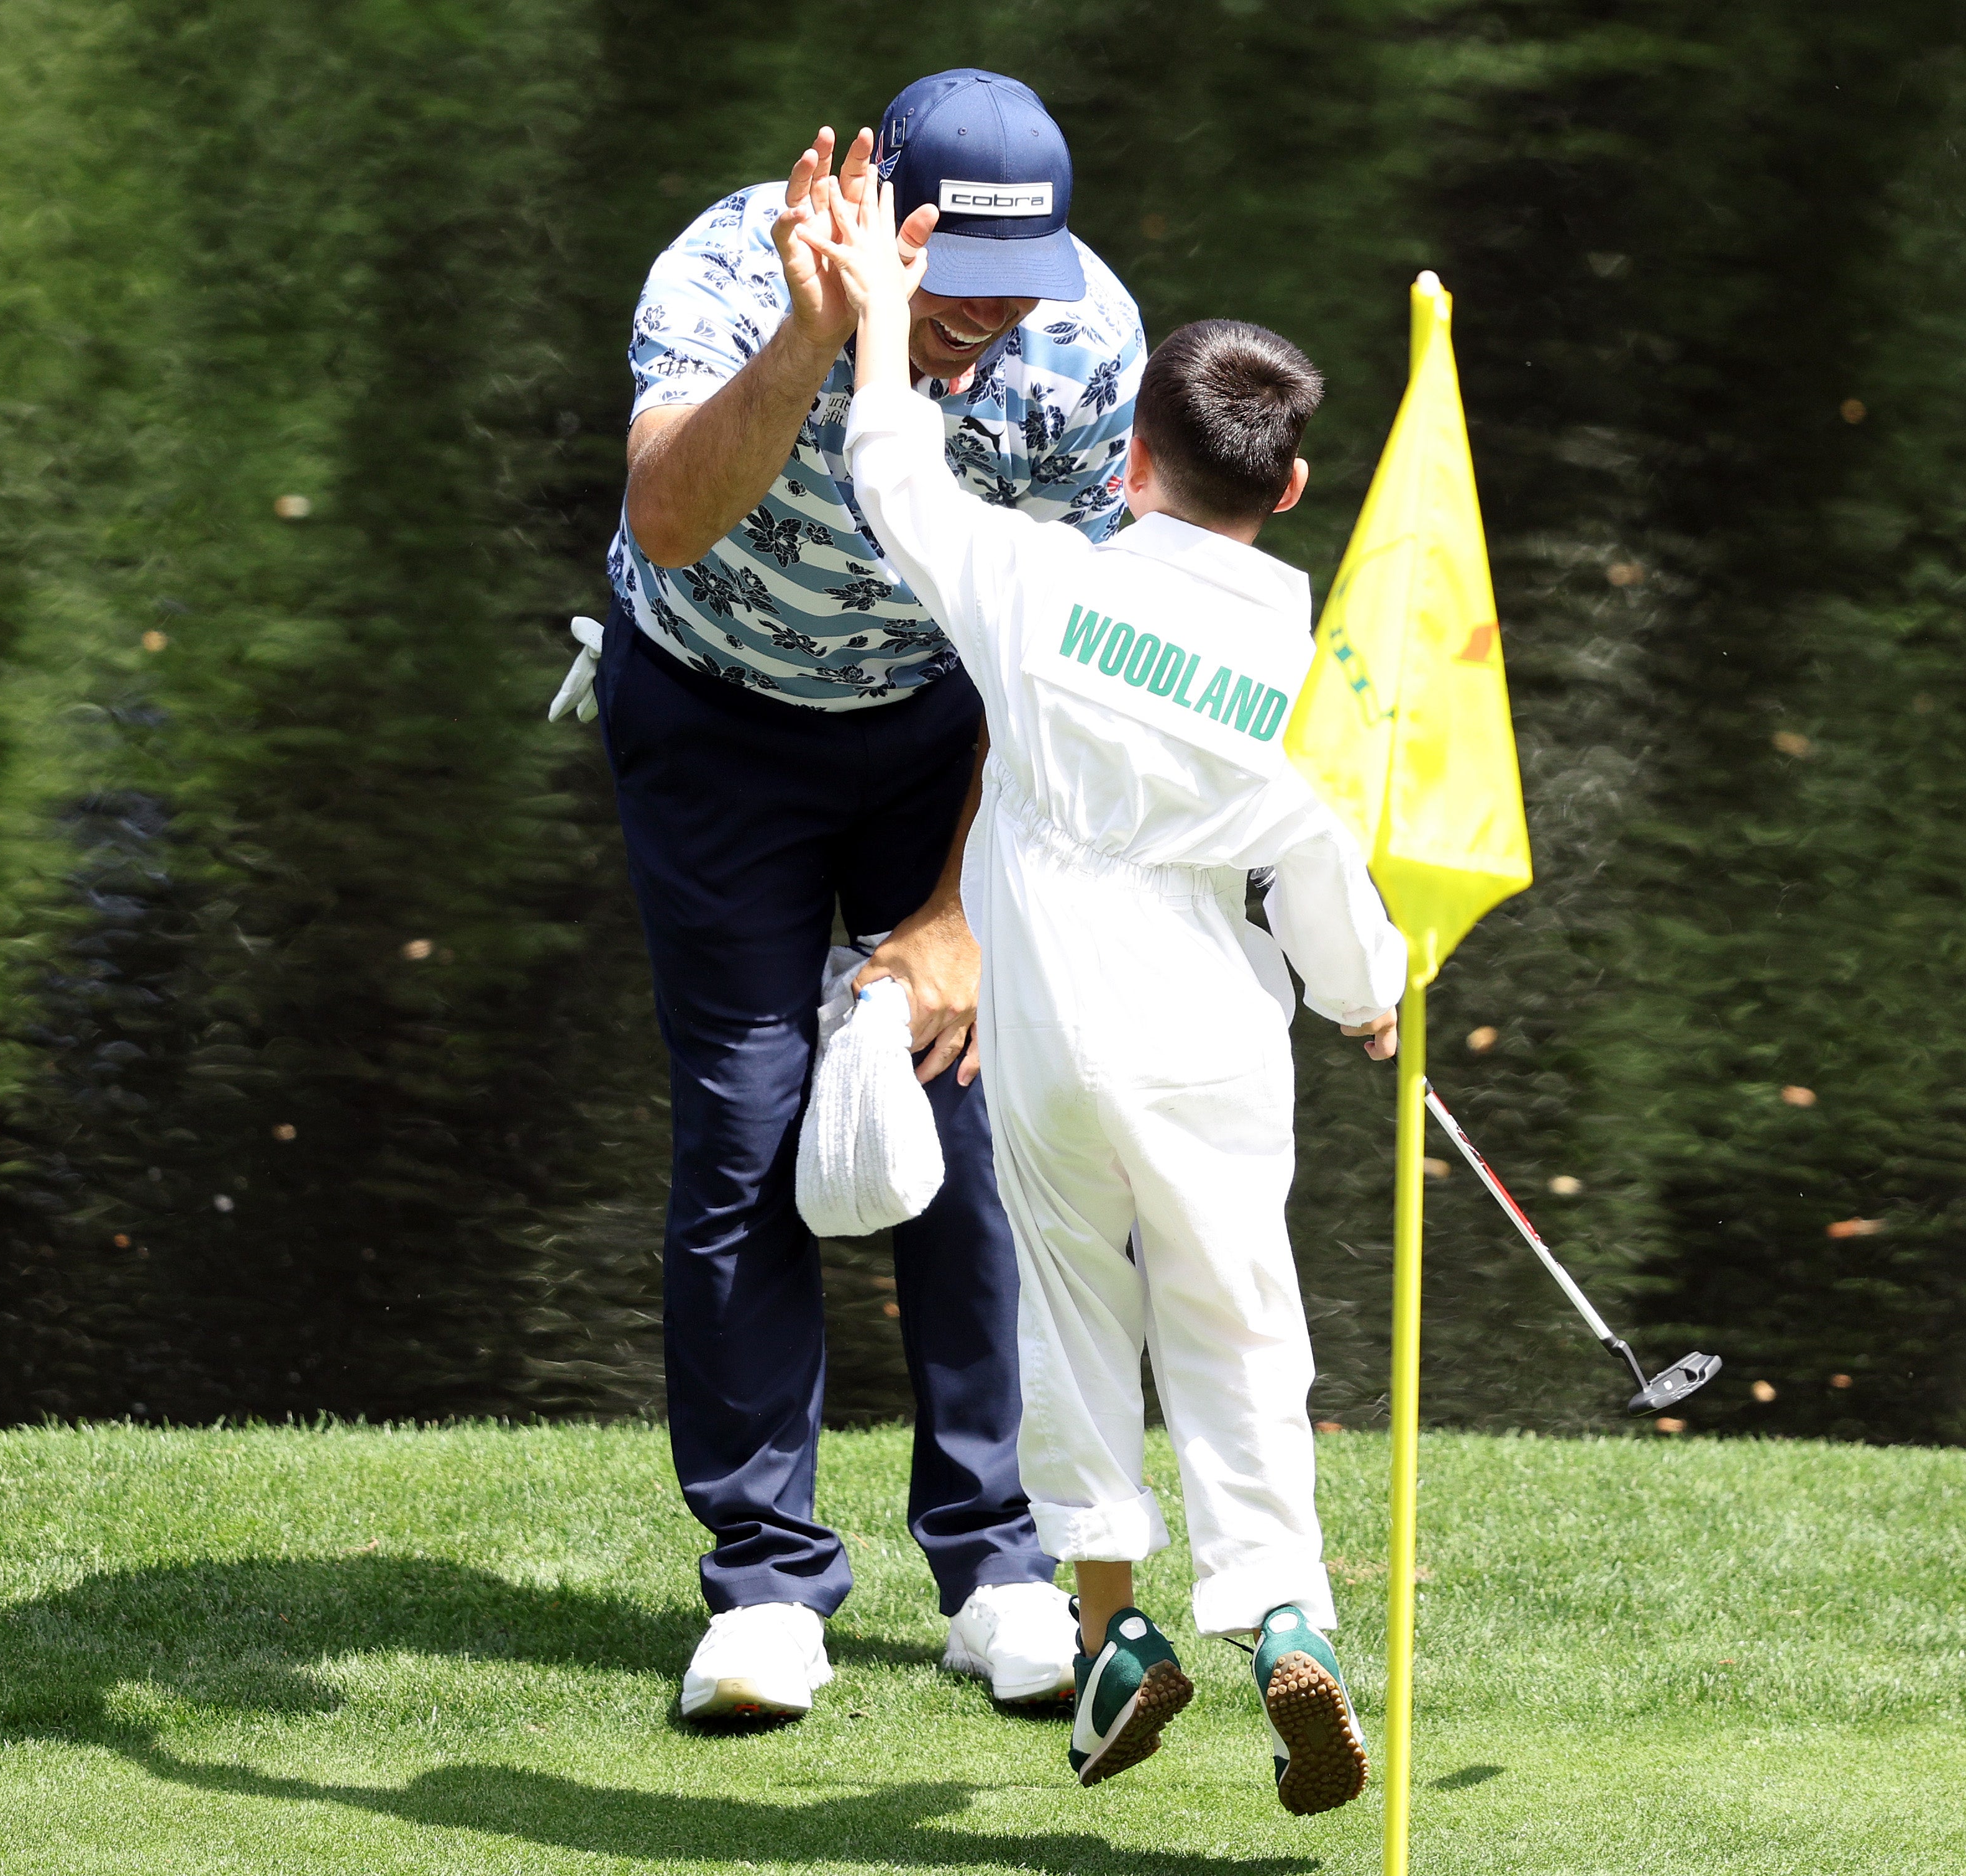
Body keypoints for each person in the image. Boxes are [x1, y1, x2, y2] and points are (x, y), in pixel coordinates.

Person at [799, 176, 1406, 1815]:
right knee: (1235, 1332)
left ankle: (1113, 1633)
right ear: (1283, 487)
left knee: (1068, 1310)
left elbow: (888, 468)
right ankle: (1278, 1609)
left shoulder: (1037, 582)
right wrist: (1372, 993)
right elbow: (1333, 892)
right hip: (1209, 1016)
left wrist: (870, 312)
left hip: (1048, 1019)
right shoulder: (1315, 668)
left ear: (1130, 453)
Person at [588, 70, 1144, 1721]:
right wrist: (819, 338)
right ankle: (764, 1586)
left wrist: (962, 910)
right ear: (879, 219)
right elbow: (671, 524)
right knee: (747, 1124)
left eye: (1014, 274)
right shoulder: (723, 271)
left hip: (945, 732)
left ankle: (996, 1566)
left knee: (979, 1128)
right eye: (950, 273)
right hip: (711, 716)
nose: (984, 313)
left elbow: (1055, 663)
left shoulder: (1081, 347)